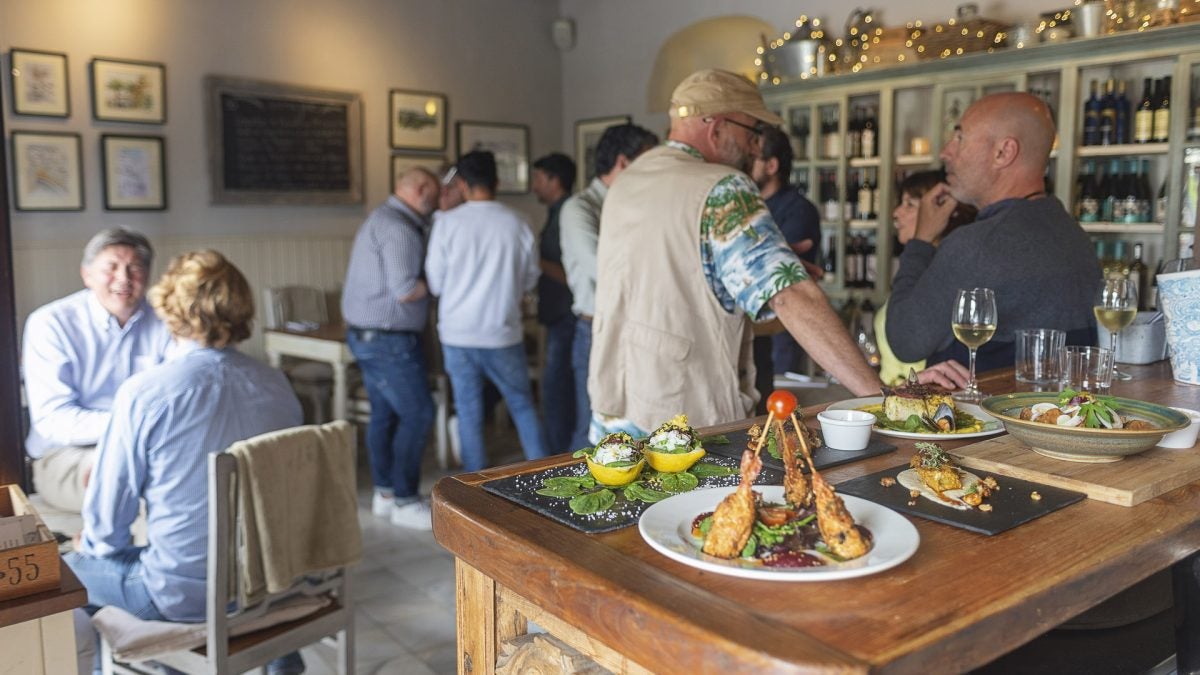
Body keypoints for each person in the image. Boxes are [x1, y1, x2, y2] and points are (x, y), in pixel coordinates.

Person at [589, 68, 966, 439]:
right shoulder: (722, 187)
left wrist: (752, 274)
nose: (757, 148)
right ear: (716, 125)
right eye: (754, 131)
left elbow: (672, 288)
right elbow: (792, 296)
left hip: (615, 407)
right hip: (684, 422)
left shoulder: (630, 181)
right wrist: (880, 396)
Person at [66, 250, 304, 674]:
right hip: (269, 579)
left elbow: (108, 528)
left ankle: (163, 664)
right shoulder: (277, 384)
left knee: (67, 568)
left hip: (183, 597)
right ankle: (280, 659)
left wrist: (93, 546)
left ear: (169, 310)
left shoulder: (145, 393)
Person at [885, 92, 1102, 372]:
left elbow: (905, 341)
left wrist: (920, 242)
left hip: (979, 413)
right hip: (1052, 411)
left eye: (959, 139)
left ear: (1004, 152)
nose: (945, 152)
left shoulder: (977, 244)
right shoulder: (1073, 234)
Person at [22, 227, 173, 512]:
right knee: (121, 479)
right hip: (67, 455)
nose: (123, 278)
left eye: (135, 268)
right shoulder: (50, 323)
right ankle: (106, 553)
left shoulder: (167, 319)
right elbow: (53, 420)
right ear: (86, 274)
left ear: (148, 276)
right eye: (111, 267)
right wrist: (132, 426)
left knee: (182, 478)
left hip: (149, 446)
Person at [425, 151, 548, 470]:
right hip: (502, 330)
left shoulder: (447, 223)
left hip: (457, 332)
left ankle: (474, 488)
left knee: (468, 410)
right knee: (522, 404)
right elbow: (530, 278)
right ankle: (545, 475)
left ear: (462, 184)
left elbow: (435, 283)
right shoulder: (519, 221)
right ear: (497, 181)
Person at [342, 167, 440, 530]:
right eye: (433, 191)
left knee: (385, 414)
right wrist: (439, 281)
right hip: (388, 339)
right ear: (419, 189)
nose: (436, 200)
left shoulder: (380, 218)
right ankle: (404, 499)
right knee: (418, 414)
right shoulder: (400, 229)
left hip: (368, 335)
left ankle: (384, 493)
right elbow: (404, 289)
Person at [560, 123, 658, 451]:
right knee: (593, 427)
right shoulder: (580, 208)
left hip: (637, 326)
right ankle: (577, 500)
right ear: (623, 162)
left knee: (634, 424)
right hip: (595, 329)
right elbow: (603, 269)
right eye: (648, 162)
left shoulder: (639, 205)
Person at [877, 170, 977, 385]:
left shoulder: (948, 276)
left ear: (945, 212)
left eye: (910, 204)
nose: (896, 213)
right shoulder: (918, 266)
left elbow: (910, 339)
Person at [749, 125, 823, 407]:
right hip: (756, 332)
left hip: (784, 330)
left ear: (771, 165)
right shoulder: (752, 209)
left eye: (752, 157)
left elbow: (779, 274)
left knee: (780, 407)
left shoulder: (798, 209)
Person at [531, 153, 578, 453]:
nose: (534, 185)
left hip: (566, 316)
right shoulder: (555, 213)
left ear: (553, 180)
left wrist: (535, 262)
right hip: (557, 315)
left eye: (538, 178)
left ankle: (556, 456)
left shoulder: (567, 215)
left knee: (557, 391)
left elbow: (572, 273)